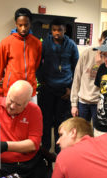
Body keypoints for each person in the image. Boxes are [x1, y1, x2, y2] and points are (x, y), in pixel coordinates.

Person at [37, 18, 79, 153]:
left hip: (64, 89)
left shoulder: (71, 45)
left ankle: (59, 149)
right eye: (54, 30)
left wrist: (71, 89)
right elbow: (38, 64)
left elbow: (76, 68)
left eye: (59, 30)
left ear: (64, 30)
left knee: (61, 122)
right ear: (51, 30)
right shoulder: (45, 44)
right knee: (46, 120)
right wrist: (41, 81)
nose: (57, 33)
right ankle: (45, 148)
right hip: (47, 88)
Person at [70, 30, 107, 126]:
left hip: (99, 102)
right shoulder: (87, 53)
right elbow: (76, 79)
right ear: (100, 41)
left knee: (98, 133)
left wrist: (102, 65)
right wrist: (74, 104)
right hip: (83, 101)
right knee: (82, 132)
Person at [0, 8, 42, 102]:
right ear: (16, 24)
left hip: (30, 90)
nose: (23, 28)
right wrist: (0, 93)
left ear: (30, 24)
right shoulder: (6, 42)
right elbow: (0, 69)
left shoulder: (37, 43)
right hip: (11, 90)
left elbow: (36, 65)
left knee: (31, 116)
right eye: (20, 25)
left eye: (26, 25)